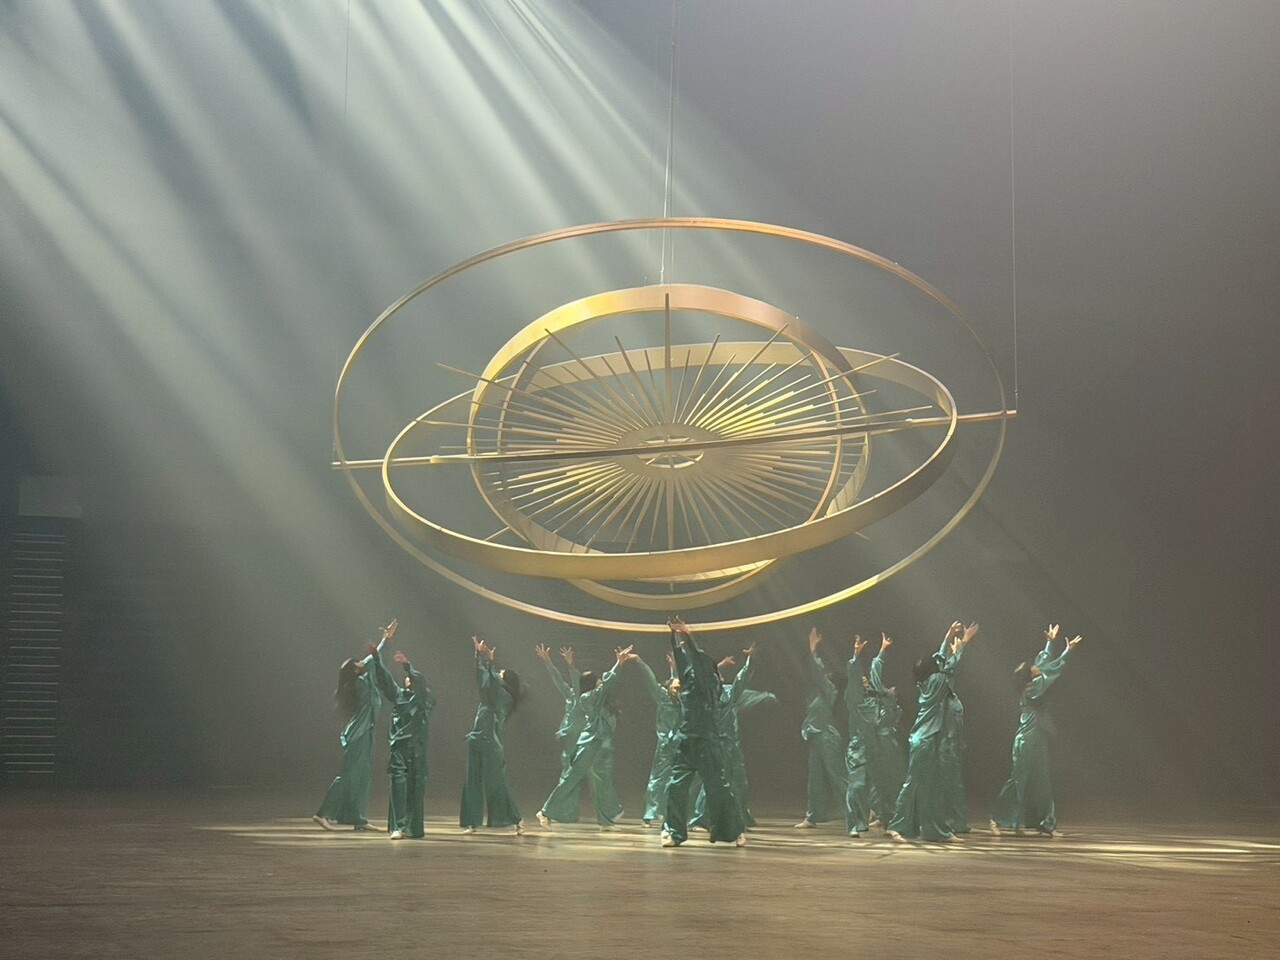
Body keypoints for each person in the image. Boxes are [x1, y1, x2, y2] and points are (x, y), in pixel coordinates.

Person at [887, 621, 978, 843]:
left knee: (930, 788)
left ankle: (934, 830)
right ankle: (896, 825)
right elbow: (949, 665)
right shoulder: (937, 681)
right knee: (913, 783)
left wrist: (948, 636)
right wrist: (963, 644)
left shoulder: (927, 682)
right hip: (924, 740)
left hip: (928, 739)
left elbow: (941, 659)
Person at [661, 617, 746, 848]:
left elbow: (696, 658)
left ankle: (734, 830)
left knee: (718, 789)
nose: (690, 669)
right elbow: (682, 660)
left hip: (706, 742)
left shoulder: (708, 685)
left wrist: (687, 634)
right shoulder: (689, 681)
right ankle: (675, 833)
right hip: (686, 742)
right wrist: (674, 635)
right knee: (675, 788)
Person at [989, 625, 1082, 837]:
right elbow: (1051, 671)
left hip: (1038, 735)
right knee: (1018, 779)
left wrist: (1050, 642)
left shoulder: (1034, 681)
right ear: (1029, 676)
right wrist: (1067, 652)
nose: (1036, 666)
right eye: (1032, 667)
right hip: (1026, 738)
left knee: (1043, 780)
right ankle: (998, 817)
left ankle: (1045, 822)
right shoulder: (1032, 688)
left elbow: (1044, 663)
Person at [537, 646, 639, 828]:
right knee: (572, 778)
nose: (600, 681)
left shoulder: (595, 699)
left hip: (592, 742)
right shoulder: (587, 697)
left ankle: (606, 818)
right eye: (597, 679)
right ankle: (548, 811)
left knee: (595, 779)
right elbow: (603, 683)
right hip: (587, 743)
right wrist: (618, 664)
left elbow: (605, 687)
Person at [313, 620, 395, 831]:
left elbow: (374, 658)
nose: (362, 662)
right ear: (355, 670)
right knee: (349, 775)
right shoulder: (360, 684)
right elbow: (373, 661)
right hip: (358, 734)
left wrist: (385, 639)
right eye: (358, 663)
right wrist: (382, 645)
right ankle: (322, 813)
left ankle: (356, 818)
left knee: (362, 776)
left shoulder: (362, 679)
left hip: (366, 732)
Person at [690, 643, 777, 831]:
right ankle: (700, 819)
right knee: (712, 782)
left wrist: (750, 659)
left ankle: (739, 817)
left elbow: (741, 679)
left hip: (731, 744)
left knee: (739, 781)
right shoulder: (704, 696)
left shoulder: (729, 692)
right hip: (715, 743)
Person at [369, 647, 435, 839]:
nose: (409, 680)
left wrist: (407, 666)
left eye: (412, 678)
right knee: (398, 785)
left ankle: (413, 827)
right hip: (399, 746)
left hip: (417, 748)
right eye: (408, 678)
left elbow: (420, 682)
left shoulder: (424, 697)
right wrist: (377, 658)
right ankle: (398, 826)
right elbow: (386, 680)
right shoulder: (399, 695)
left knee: (416, 787)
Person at [459, 637, 524, 835]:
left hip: (490, 742)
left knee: (496, 783)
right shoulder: (494, 695)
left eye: (501, 673)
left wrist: (485, 658)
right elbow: (486, 679)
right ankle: (472, 822)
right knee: (472, 782)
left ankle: (514, 818)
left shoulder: (502, 696)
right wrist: (483, 658)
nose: (497, 673)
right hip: (478, 738)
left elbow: (486, 680)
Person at [794, 628, 851, 832]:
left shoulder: (830, 691)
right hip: (816, 735)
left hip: (827, 736)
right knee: (815, 778)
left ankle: (859, 810)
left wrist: (813, 651)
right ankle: (813, 816)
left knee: (838, 776)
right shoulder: (819, 694)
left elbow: (817, 673)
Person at [864, 633, 907, 827]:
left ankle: (888, 813)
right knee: (882, 778)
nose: (892, 688)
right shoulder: (881, 701)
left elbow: (875, 675)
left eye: (894, 689)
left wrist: (882, 651)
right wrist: (882, 651)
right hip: (883, 743)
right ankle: (882, 813)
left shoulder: (888, 702)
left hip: (887, 743)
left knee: (890, 778)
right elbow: (875, 673)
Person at [638, 651, 681, 827]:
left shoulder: (682, 701)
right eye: (675, 688)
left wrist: (674, 667)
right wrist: (640, 661)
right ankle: (649, 815)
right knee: (657, 778)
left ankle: (669, 812)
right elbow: (651, 679)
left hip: (680, 745)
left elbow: (676, 682)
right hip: (665, 745)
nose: (677, 690)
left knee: (676, 780)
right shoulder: (663, 697)